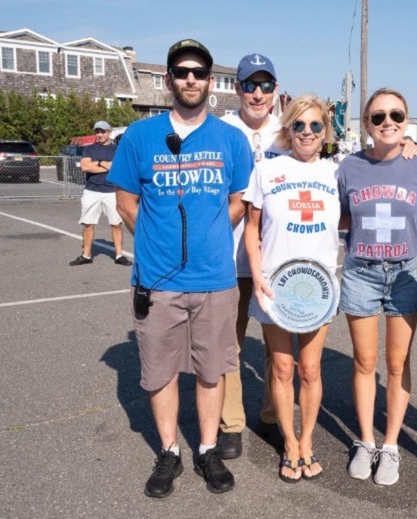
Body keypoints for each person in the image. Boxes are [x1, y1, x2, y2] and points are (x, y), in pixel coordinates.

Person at [108, 39, 253, 498]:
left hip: (215, 279)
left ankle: (207, 448)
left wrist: (209, 236)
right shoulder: (139, 137)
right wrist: (157, 242)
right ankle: (169, 451)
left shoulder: (231, 139)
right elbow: (126, 202)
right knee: (160, 372)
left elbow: (237, 204)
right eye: (182, 71)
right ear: (169, 79)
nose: (191, 78)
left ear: (211, 81)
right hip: (156, 281)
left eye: (200, 71)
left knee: (211, 370)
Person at [337, 88, 417, 486]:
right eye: (378, 117)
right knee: (364, 362)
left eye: (396, 115)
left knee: (397, 364)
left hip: (406, 271)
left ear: (406, 119)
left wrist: (416, 230)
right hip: (361, 270)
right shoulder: (348, 167)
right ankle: (365, 441)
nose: (388, 122)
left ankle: (390, 446)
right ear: (366, 125)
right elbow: (343, 214)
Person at [243, 94, 339, 483]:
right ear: (288, 128)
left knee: (310, 368)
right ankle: (289, 444)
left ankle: (309, 441)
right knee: (282, 367)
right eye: (299, 125)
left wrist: (406, 144)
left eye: (315, 125)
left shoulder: (337, 171)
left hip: (319, 287)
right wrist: (257, 274)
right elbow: (251, 228)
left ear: (325, 131)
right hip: (275, 285)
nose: (307, 132)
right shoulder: (267, 169)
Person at [218, 52, 284, 459]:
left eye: (264, 85)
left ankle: (272, 416)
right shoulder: (219, 130)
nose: (257, 93)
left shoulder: (292, 129)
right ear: (237, 88)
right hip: (228, 256)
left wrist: (403, 143)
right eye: (249, 84)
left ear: (275, 89)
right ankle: (231, 423)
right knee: (230, 345)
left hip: (276, 258)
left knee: (278, 348)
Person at [69, 120, 132, 267]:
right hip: (92, 191)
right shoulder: (89, 149)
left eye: (103, 131)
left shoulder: (117, 149)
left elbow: (117, 167)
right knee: (88, 224)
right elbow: (85, 166)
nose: (100, 134)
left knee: (116, 224)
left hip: (112, 191)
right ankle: (86, 255)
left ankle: (119, 255)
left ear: (109, 132)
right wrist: (105, 164)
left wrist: (96, 163)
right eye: (97, 131)